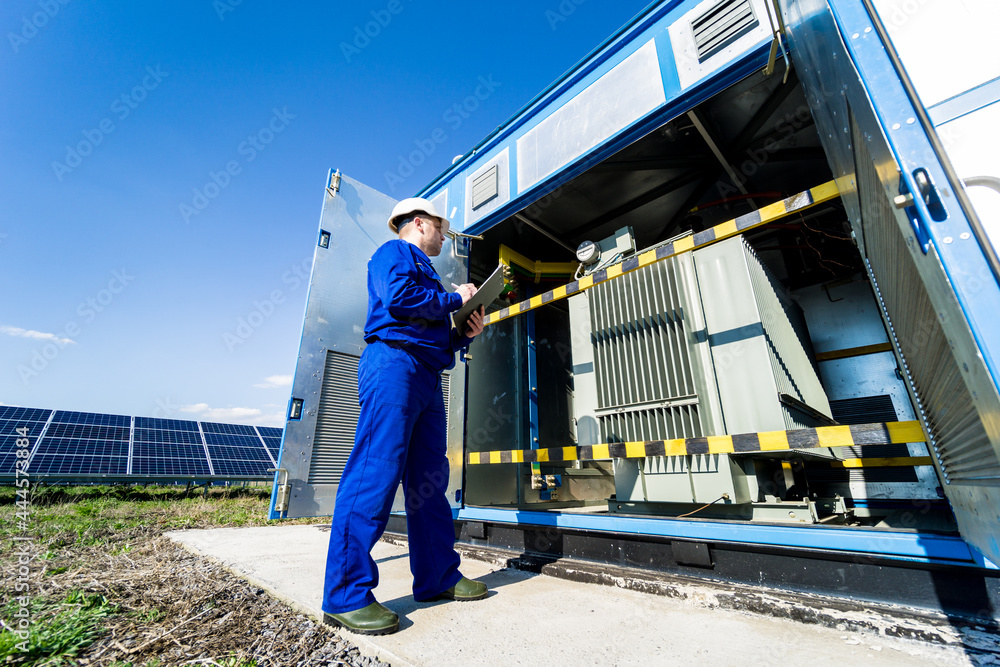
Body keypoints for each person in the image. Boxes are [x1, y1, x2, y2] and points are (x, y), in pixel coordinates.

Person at [321, 197, 488, 635]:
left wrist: (459, 333)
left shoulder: (427, 273)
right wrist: (454, 299)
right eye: (440, 228)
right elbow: (398, 298)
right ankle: (345, 595)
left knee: (429, 482)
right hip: (394, 367)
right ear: (419, 222)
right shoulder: (393, 253)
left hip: (427, 374)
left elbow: (427, 327)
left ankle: (438, 578)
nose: (443, 236)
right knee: (374, 475)